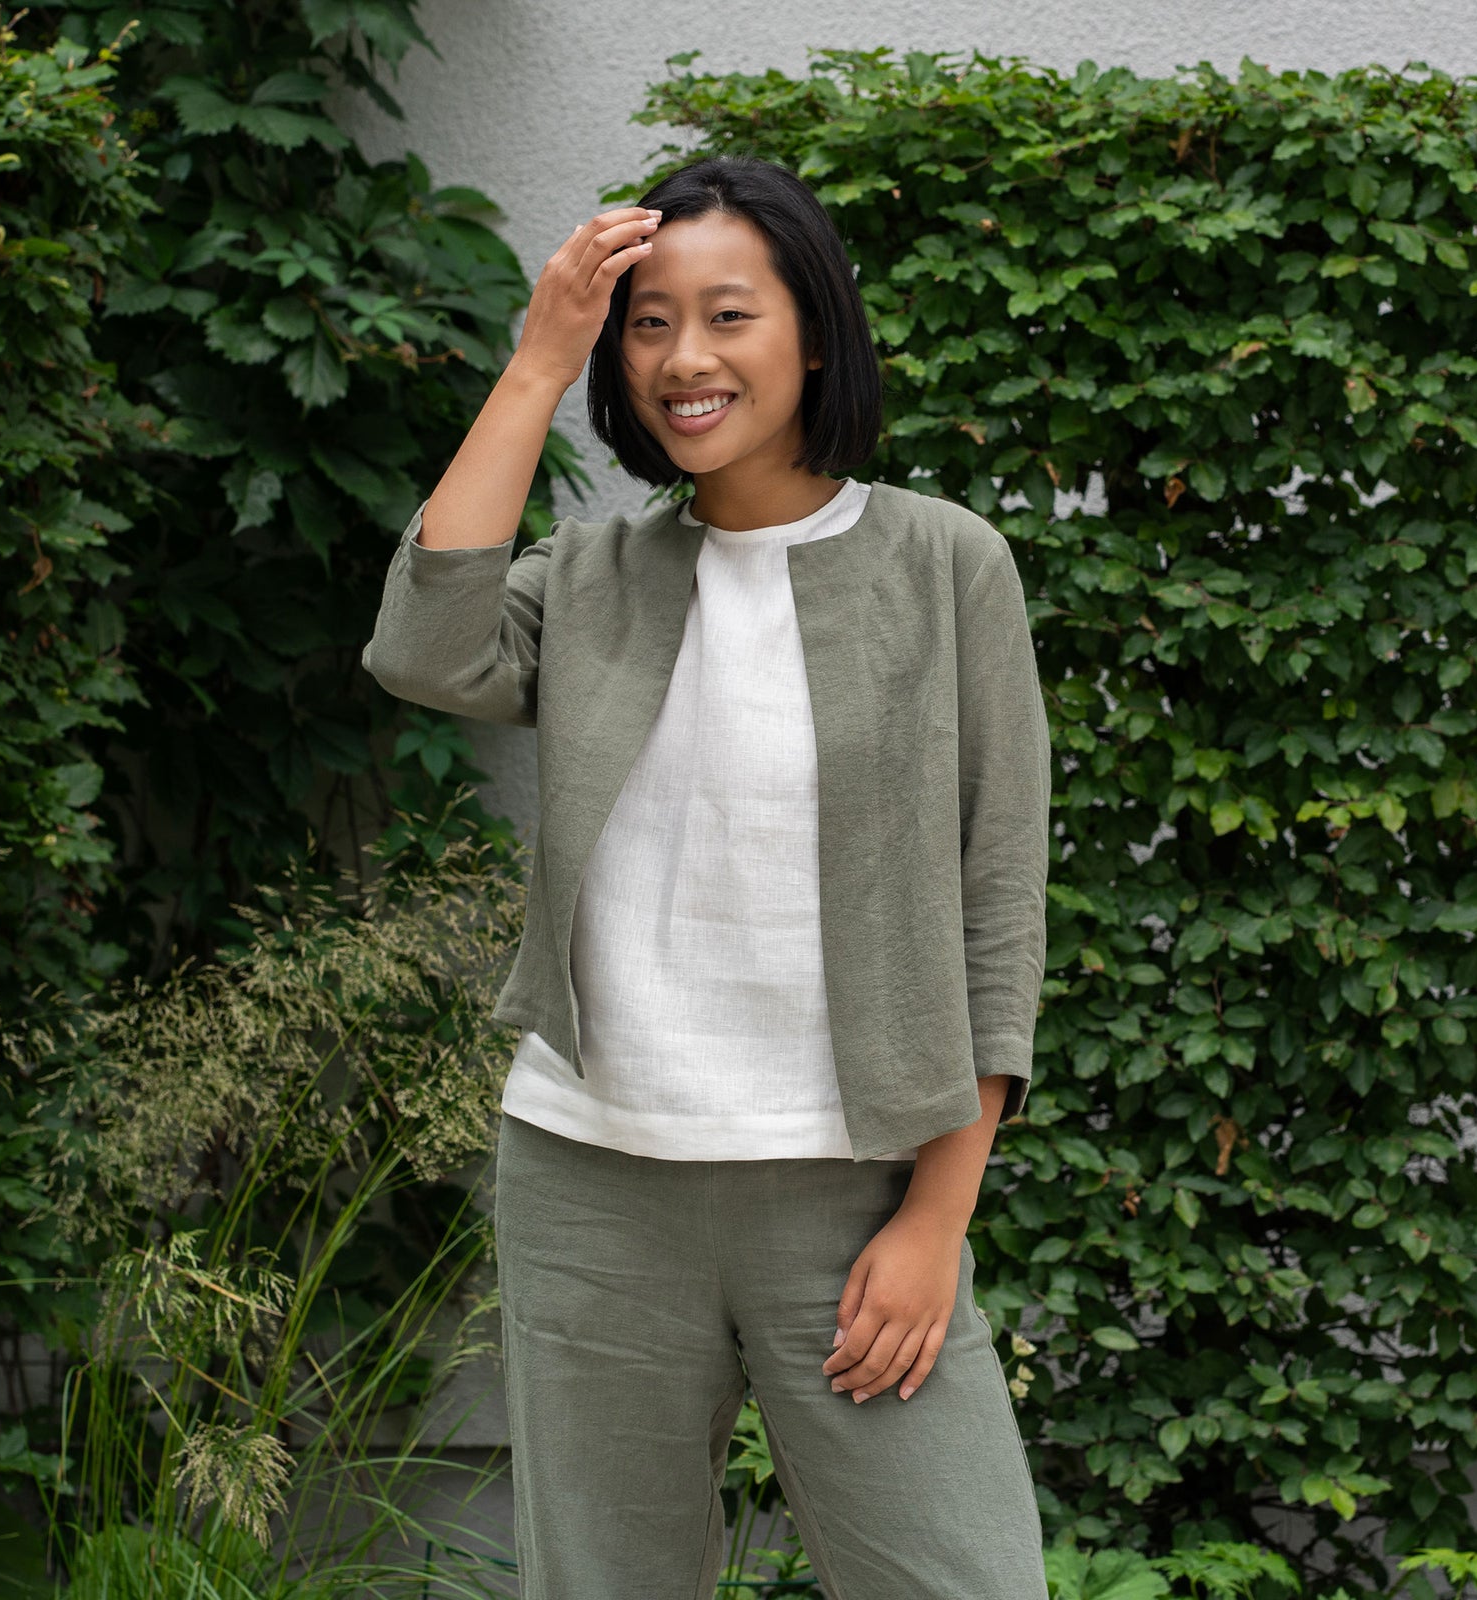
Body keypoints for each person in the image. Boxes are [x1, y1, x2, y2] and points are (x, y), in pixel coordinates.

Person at [361, 154, 1051, 1600]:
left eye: (729, 315)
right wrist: (538, 359)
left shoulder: (945, 566)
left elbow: (1000, 903)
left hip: (852, 1187)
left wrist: (936, 1219)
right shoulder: (595, 572)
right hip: (591, 1177)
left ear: (812, 330)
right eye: (648, 321)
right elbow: (425, 647)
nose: (685, 359)